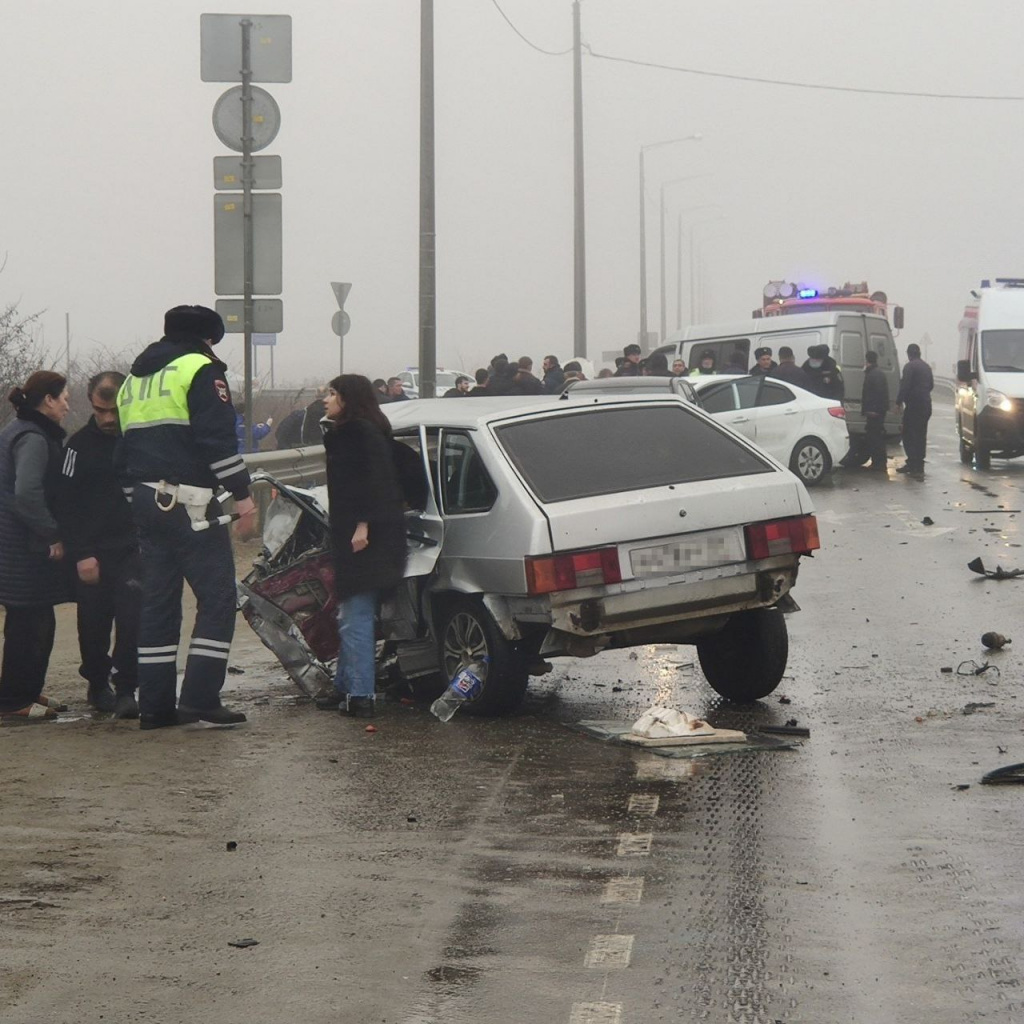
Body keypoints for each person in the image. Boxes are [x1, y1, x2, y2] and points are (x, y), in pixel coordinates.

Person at [116, 304, 257, 730]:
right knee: (217, 599)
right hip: (191, 501)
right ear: (206, 338)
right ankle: (199, 697)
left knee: (158, 604)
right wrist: (243, 496)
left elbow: (124, 447)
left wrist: (135, 498)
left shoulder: (133, 380)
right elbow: (216, 440)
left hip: (144, 501)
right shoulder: (200, 369)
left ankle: (156, 707)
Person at [319, 375, 407, 718]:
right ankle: (345, 686)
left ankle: (360, 695)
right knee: (352, 612)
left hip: (366, 537)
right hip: (366, 533)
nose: (326, 399)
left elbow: (377, 481)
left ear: (348, 398)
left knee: (355, 615)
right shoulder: (364, 429)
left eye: (332, 393)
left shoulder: (359, 433)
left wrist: (363, 524)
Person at [56, 372, 141, 718]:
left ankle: (126, 688)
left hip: (133, 548)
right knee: (93, 623)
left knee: (133, 618)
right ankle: (97, 681)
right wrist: (82, 552)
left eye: (114, 411)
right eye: (100, 410)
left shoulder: (140, 441)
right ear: (90, 403)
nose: (107, 419)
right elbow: (65, 504)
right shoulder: (77, 446)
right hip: (91, 550)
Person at [0, 372, 73, 721]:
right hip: (21, 548)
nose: (67, 405)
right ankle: (15, 701)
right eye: (63, 398)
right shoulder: (33, 438)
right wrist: (52, 534)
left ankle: (25, 690)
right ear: (48, 400)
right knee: (31, 622)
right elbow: (27, 494)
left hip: (13, 543)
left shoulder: (17, 430)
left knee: (30, 618)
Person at [896, 342, 933, 476]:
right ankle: (919, 464)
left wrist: (898, 402)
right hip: (926, 405)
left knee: (908, 434)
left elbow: (904, 386)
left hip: (914, 406)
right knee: (921, 434)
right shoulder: (926, 367)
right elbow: (931, 385)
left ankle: (912, 462)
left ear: (909, 354)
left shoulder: (909, 367)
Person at [860, 350, 890, 472]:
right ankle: (878, 461)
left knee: (875, 437)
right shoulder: (877, 373)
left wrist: (872, 410)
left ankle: (879, 463)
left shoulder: (873, 374)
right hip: (877, 411)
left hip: (875, 412)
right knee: (876, 436)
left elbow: (876, 394)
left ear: (867, 361)